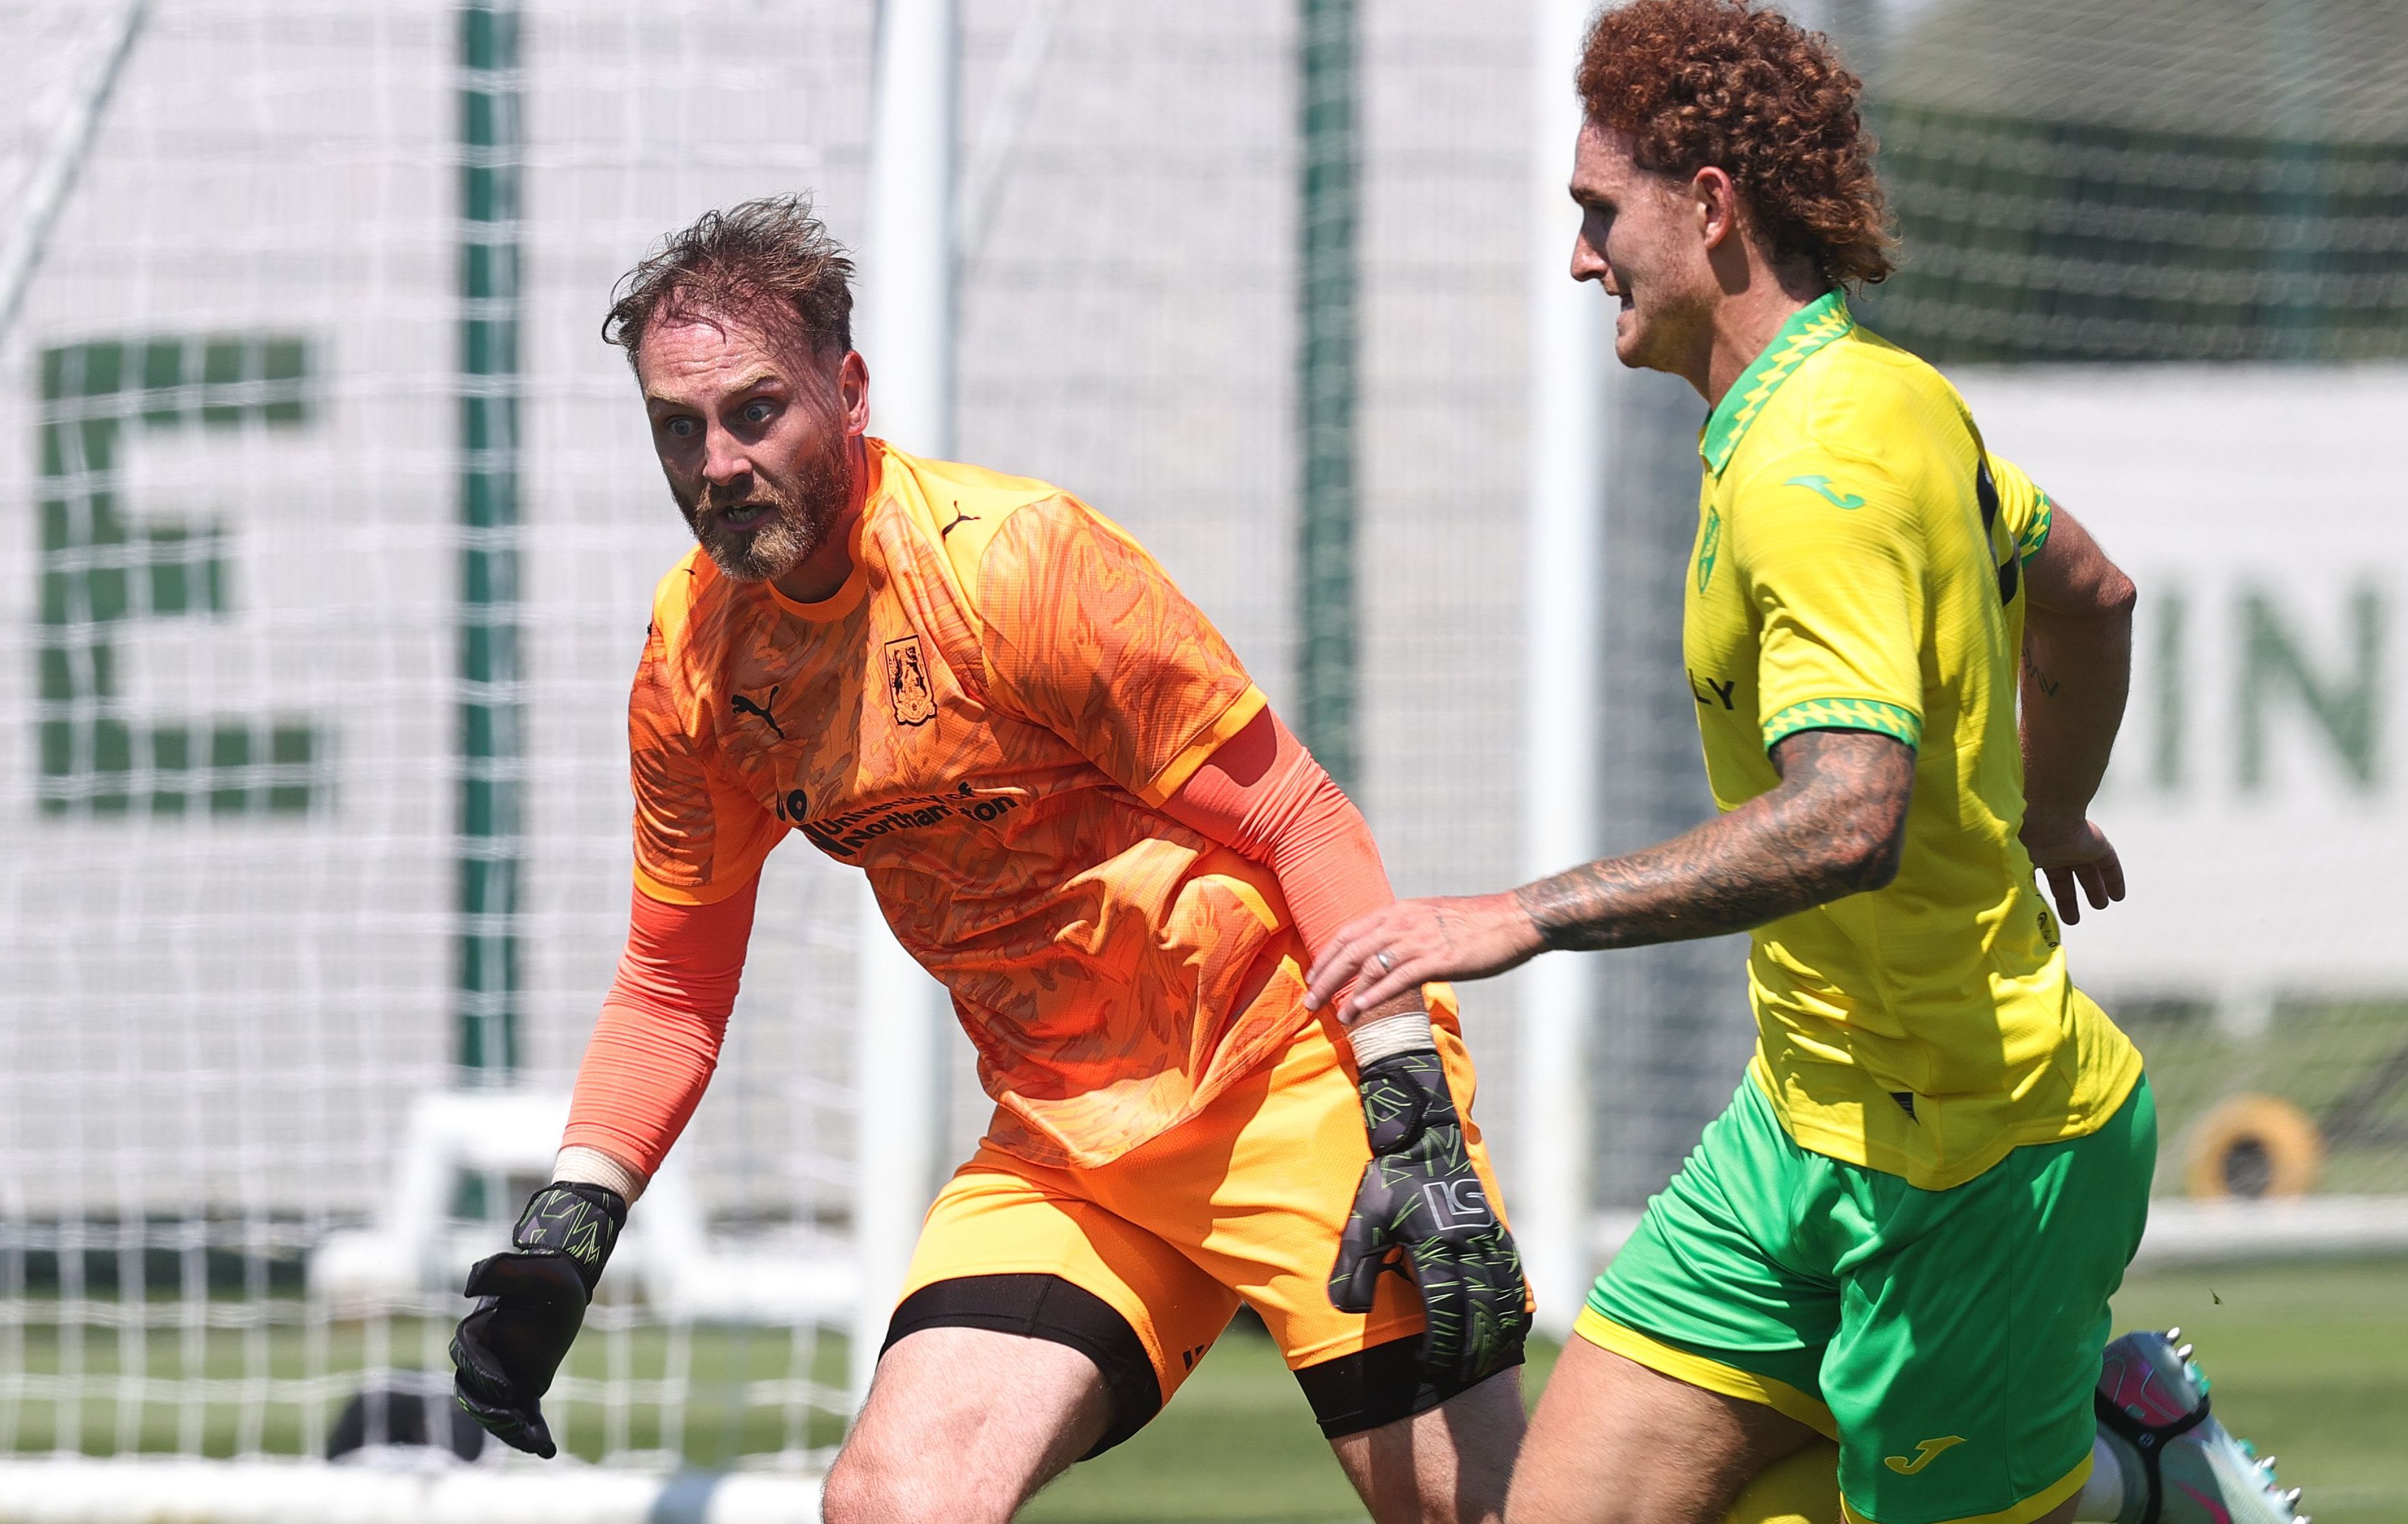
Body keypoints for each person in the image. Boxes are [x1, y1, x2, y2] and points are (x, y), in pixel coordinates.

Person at [1302, 7, 2306, 1524]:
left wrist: (1521, 913)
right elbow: (2091, 592)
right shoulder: (1877, 397)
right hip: (1799, 1129)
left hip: (1981, 1162)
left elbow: (1851, 817)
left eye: (1599, 214)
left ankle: (2137, 1475)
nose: (1581, 260)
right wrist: (2051, 800)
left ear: (1710, 209)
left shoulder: (1814, 468)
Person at [443, 196, 1529, 1524]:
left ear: (849, 392)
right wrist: (569, 1230)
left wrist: (1405, 1100)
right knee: (896, 1501)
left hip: (1289, 1080)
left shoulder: (1017, 567)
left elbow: (1302, 820)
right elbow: (671, 985)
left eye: (755, 409)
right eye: (679, 426)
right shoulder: (693, 666)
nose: (717, 462)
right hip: (1070, 1149)